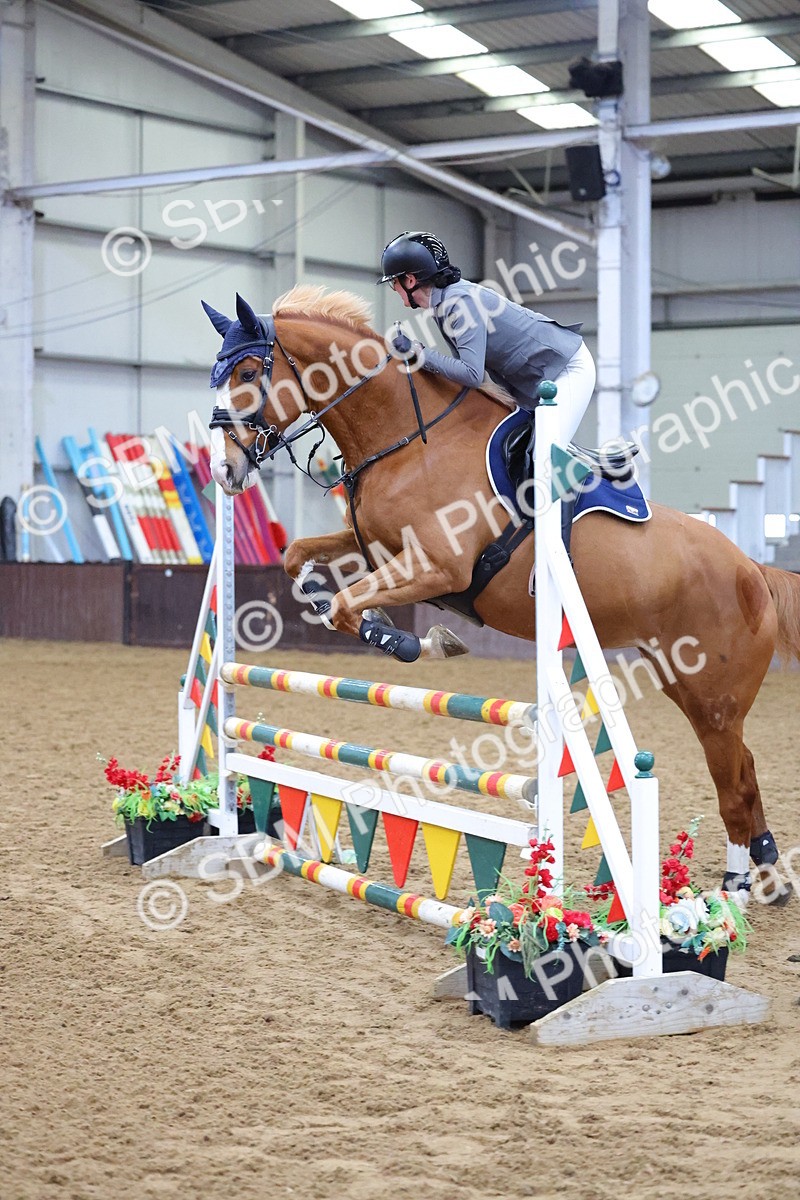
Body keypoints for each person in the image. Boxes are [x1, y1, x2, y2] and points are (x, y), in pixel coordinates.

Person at [378, 230, 596, 447]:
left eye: (393, 282)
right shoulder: (442, 305)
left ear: (409, 280)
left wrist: (419, 353)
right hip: (534, 384)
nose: (394, 288)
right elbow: (466, 377)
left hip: (566, 370)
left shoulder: (459, 302)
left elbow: (472, 374)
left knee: (544, 455)